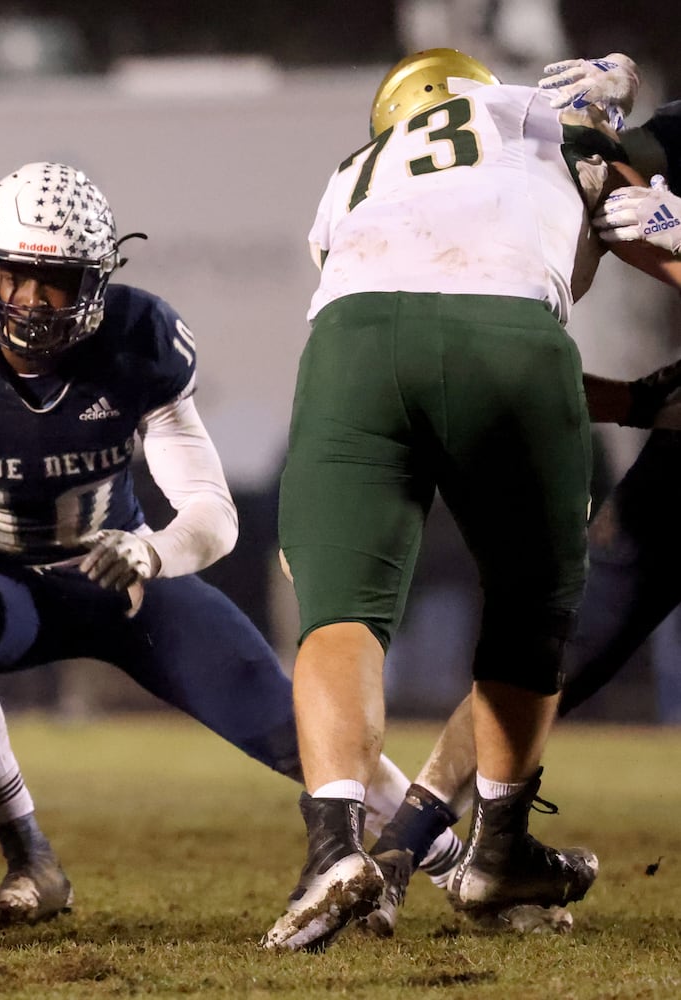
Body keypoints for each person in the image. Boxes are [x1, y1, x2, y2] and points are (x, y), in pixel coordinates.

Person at [0, 160, 461, 928]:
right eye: (15, 277)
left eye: (59, 283)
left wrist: (150, 552)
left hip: (127, 579)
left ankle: (457, 863)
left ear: (99, 283)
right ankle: (29, 856)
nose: (33, 304)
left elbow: (212, 514)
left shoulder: (137, 339)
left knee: (294, 730)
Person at [261, 47, 681, 952]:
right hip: (502, 329)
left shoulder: (355, 172)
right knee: (533, 608)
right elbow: (617, 173)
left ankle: (333, 847)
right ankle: (496, 847)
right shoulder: (540, 123)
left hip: (348, 342)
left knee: (340, 615)